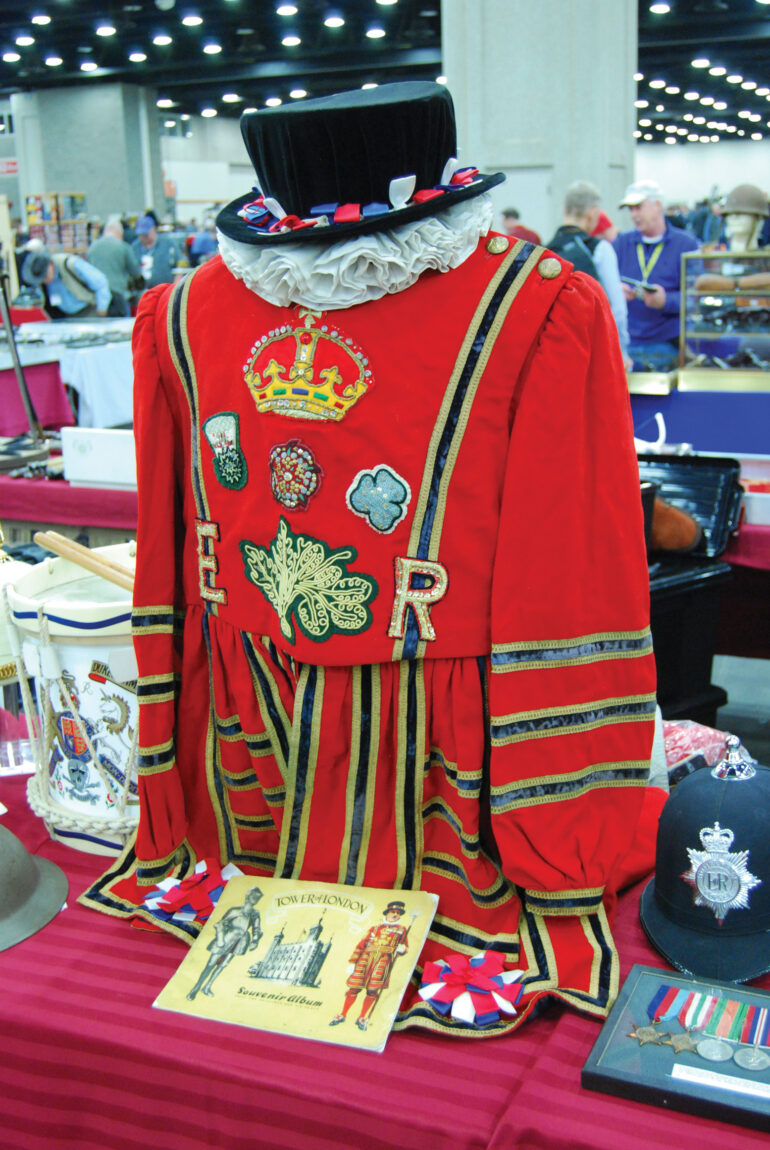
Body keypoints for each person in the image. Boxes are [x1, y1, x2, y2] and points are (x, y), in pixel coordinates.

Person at [82, 82, 658, 1039]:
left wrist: (556, 818)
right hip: (247, 761)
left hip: (453, 762)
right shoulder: (176, 316)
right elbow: (173, 564)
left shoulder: (538, 307)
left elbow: (571, 578)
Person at [614, 178, 699, 372]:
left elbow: (695, 299)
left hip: (667, 344)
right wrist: (615, 293)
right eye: (630, 209)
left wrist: (666, 300)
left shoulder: (686, 245)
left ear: (657, 206)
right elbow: (600, 286)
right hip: (627, 344)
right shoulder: (621, 243)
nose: (634, 214)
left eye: (638, 207)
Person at [545, 180, 631, 368]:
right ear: (592, 213)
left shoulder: (544, 252)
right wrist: (622, 353)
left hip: (554, 353)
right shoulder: (599, 250)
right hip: (594, 353)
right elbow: (617, 310)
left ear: (564, 210)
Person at [329, 902, 409, 1031]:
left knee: (373, 990)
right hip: (365, 958)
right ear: (387, 913)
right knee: (354, 988)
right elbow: (362, 944)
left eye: (398, 913)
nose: (395, 915)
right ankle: (343, 1014)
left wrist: (402, 949)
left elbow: (404, 946)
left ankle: (361, 1017)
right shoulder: (375, 928)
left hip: (383, 960)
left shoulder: (402, 930)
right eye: (393, 912)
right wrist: (353, 961)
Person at [186, 886, 263, 1000]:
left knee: (223, 965)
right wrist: (220, 938)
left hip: (240, 942)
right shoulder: (234, 910)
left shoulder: (255, 914)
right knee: (210, 964)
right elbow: (221, 923)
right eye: (253, 896)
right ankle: (196, 988)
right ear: (248, 896)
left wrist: (255, 940)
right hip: (226, 938)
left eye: (257, 898)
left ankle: (207, 986)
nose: (255, 899)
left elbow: (256, 928)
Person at [20, 247, 111, 318]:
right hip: (66, 316)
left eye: (46, 276)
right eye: (42, 280)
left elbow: (101, 283)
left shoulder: (70, 264)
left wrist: (102, 309)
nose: (46, 281)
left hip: (89, 310)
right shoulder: (42, 281)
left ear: (50, 264)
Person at [87, 215, 142, 316]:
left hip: (98, 299)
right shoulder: (123, 247)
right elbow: (135, 272)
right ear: (120, 233)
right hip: (118, 296)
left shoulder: (92, 248)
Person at [131, 214, 180, 287]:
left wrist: (175, 288)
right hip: (142, 293)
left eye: (146, 233)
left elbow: (179, 269)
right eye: (141, 234)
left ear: (154, 229)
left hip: (165, 291)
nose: (144, 237)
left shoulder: (169, 244)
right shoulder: (134, 248)